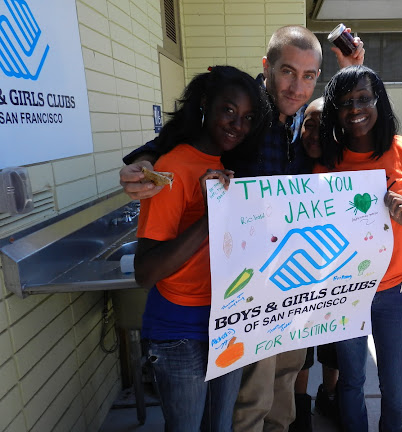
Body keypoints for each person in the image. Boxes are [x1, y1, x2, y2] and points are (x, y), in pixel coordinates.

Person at [120, 26, 365, 432]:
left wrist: (354, 71)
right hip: (246, 291)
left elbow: (359, 125)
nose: (297, 87)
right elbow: (188, 135)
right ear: (267, 67)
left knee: (283, 388)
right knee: (249, 402)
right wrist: (144, 158)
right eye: (287, 72)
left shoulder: (304, 123)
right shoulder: (246, 115)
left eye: (308, 76)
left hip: (292, 283)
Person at [134, 66, 269, 431]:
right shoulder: (173, 168)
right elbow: (145, 272)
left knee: (220, 426)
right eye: (229, 111)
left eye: (247, 118)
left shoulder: (224, 164)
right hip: (179, 329)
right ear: (206, 104)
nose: (237, 125)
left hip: (226, 320)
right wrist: (210, 217)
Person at [316, 65, 402, 432]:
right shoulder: (326, 162)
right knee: (351, 381)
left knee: (397, 388)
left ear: (379, 101)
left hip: (396, 292)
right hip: (344, 292)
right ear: (334, 111)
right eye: (344, 102)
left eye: (363, 98)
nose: (355, 108)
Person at [288, 98, 341, 432]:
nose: (315, 133)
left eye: (324, 126)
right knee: (301, 348)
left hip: (337, 270)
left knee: (334, 343)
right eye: (309, 124)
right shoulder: (289, 161)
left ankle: (329, 395)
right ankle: (300, 409)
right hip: (298, 274)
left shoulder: (346, 164)